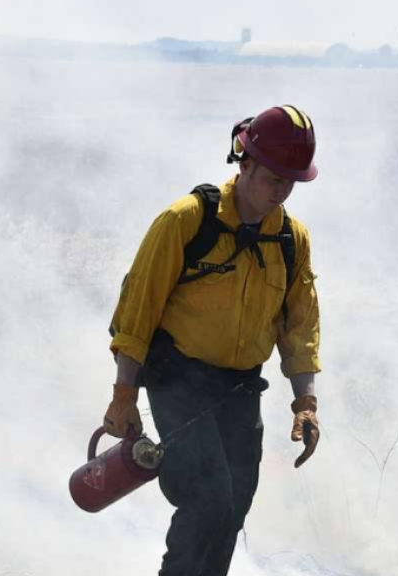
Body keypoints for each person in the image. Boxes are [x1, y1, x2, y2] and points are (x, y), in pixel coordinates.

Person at [103, 104, 322, 576]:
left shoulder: (290, 240)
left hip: (240, 389)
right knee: (207, 500)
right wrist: (124, 393)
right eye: (273, 178)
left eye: (291, 181)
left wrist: (306, 403)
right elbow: (137, 312)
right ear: (244, 164)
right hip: (178, 380)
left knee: (233, 508)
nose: (281, 190)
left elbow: (300, 326)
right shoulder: (185, 221)